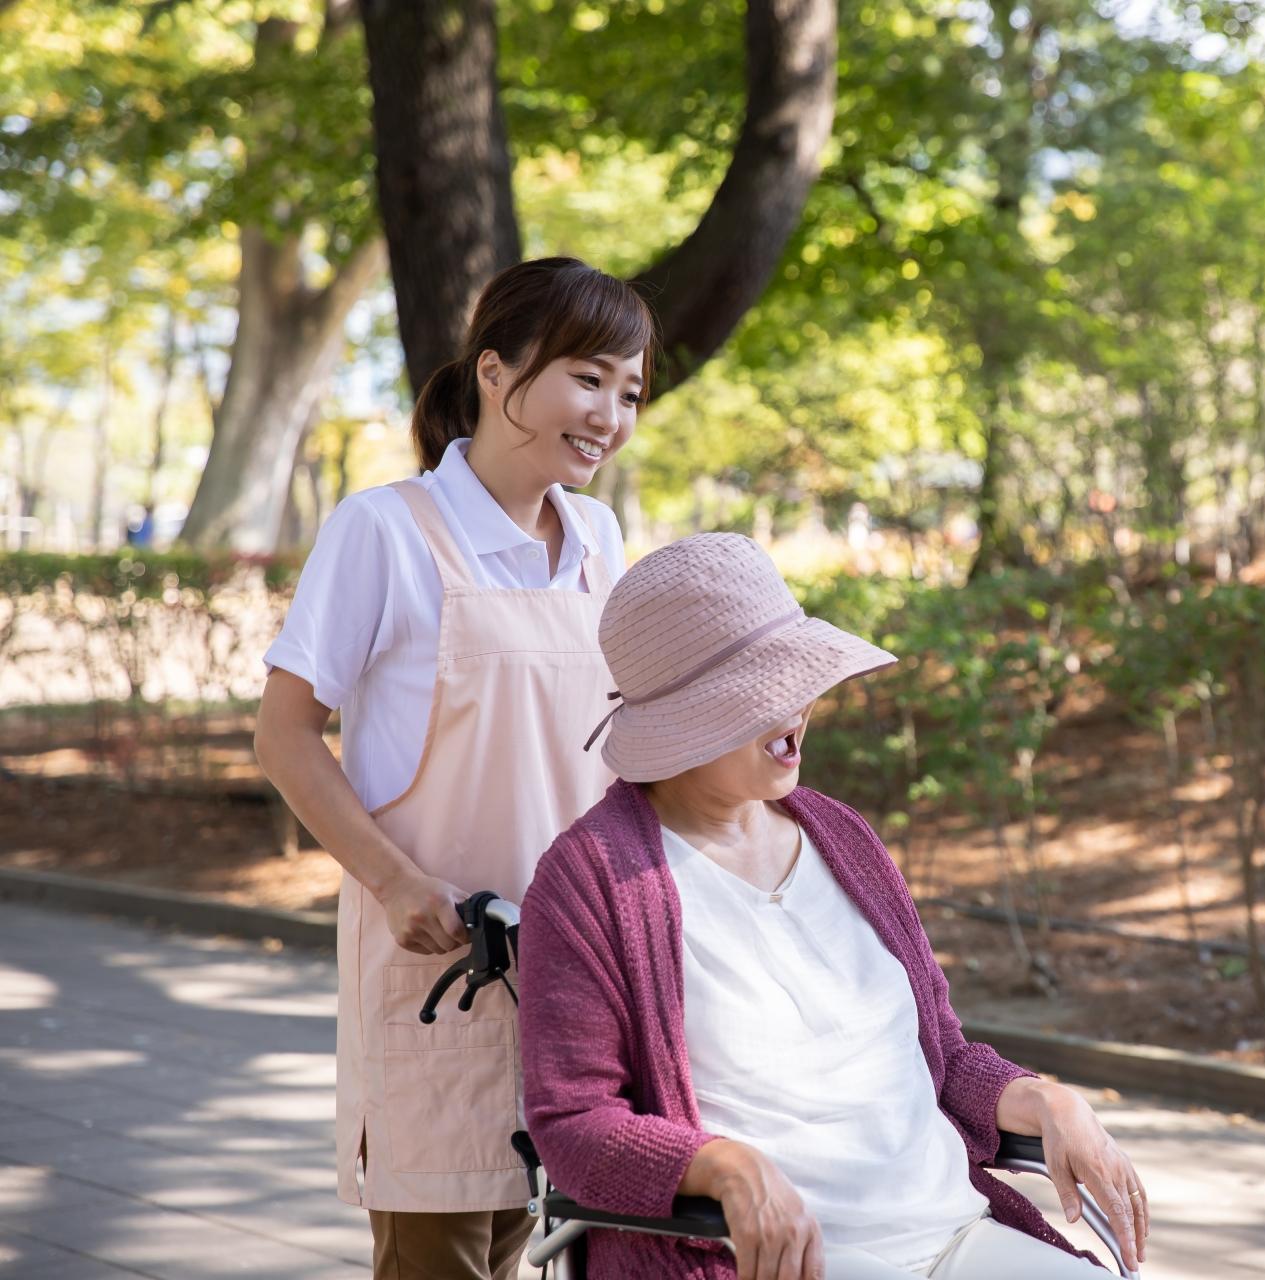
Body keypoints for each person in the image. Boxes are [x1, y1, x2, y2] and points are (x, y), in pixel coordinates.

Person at [517, 533, 1149, 1280]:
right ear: (684, 715)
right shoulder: (590, 880)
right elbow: (573, 1123)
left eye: (799, 677)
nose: (800, 704)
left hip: (954, 1232)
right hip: (782, 1261)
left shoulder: (840, 835)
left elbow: (941, 1058)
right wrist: (721, 1167)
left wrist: (1046, 1103)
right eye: (763, 687)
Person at [253, 257, 656, 1280]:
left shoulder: (599, 536)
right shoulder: (383, 531)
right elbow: (286, 733)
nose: (612, 411)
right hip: (437, 961)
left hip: (575, 971)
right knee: (440, 1256)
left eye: (631, 389)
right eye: (589, 377)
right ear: (495, 368)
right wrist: (393, 881)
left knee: (537, 1246)